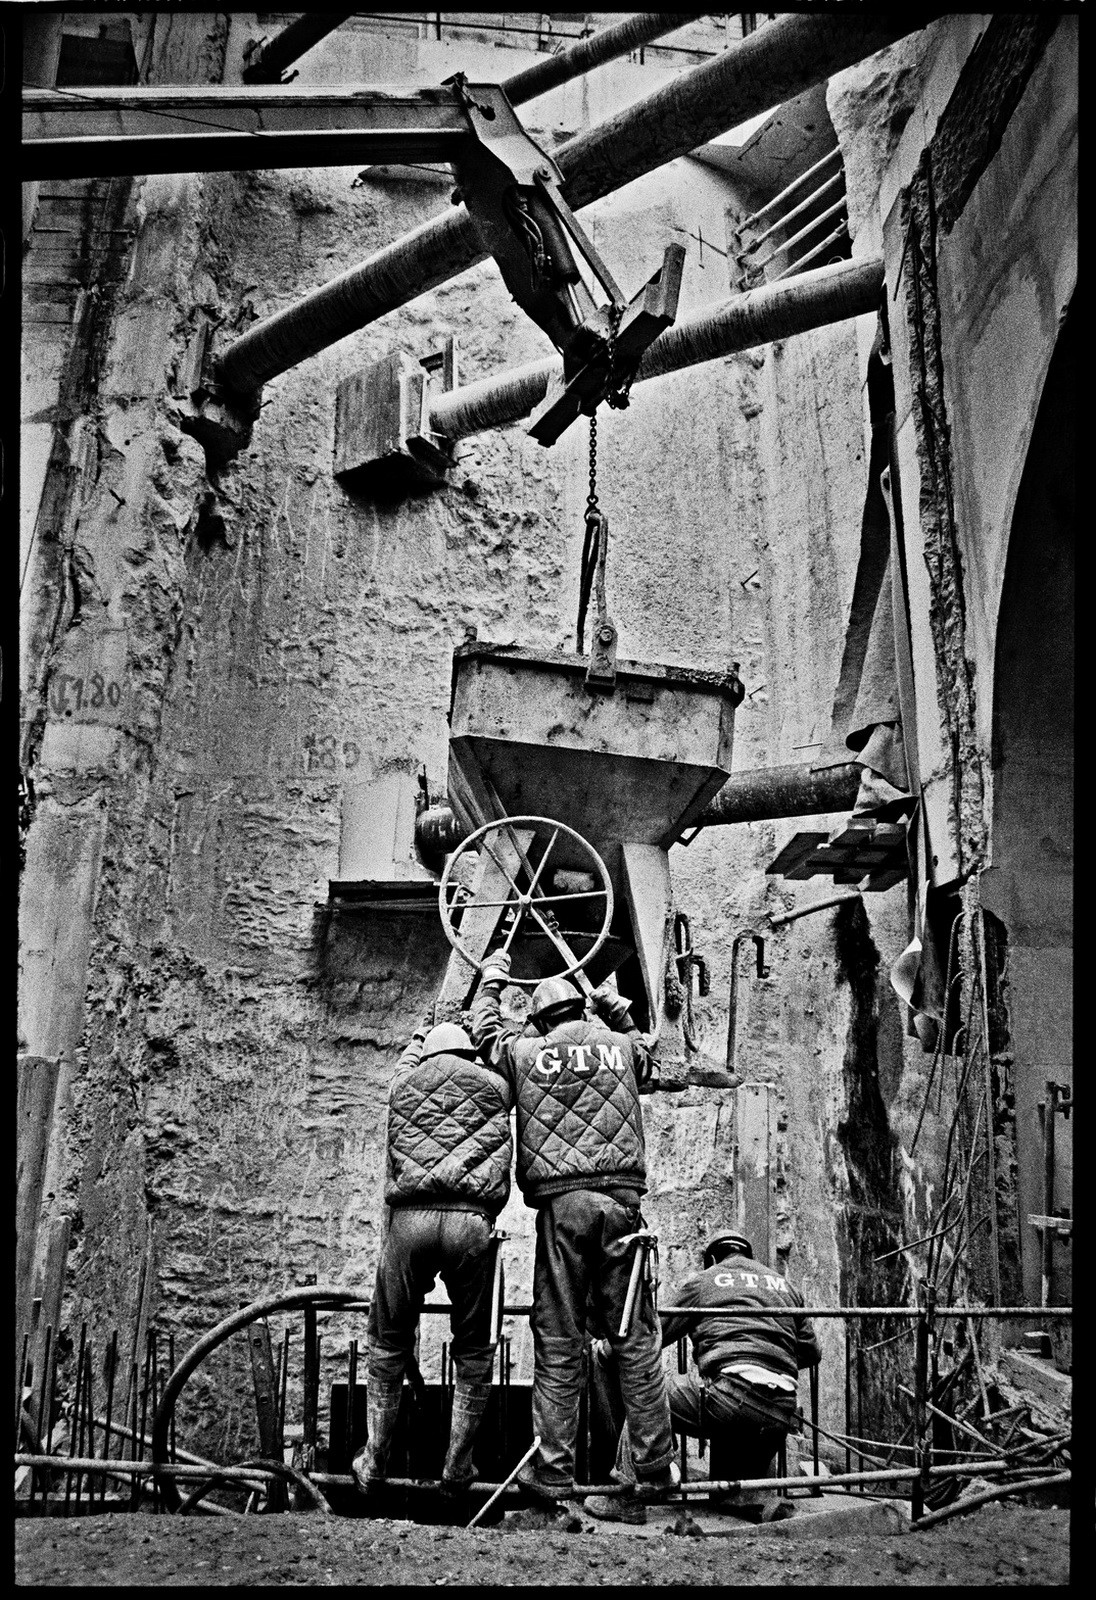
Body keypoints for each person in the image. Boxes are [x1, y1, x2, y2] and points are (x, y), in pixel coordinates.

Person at [470, 954, 676, 1520]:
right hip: (623, 1208)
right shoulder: (618, 1047)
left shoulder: (526, 1049)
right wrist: (616, 1009)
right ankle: (654, 1469)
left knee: (559, 1338)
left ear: (539, 1019)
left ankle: (555, 1472)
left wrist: (491, 978)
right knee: (635, 1336)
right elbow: (656, 1056)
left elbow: (485, 1035)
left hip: (563, 1209)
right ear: (581, 1008)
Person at [352, 1018, 513, 1502]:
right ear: (468, 1053)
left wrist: (420, 1032)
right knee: (474, 1348)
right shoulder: (495, 1085)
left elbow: (404, 1064)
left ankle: (375, 1460)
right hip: (471, 1224)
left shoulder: (405, 1082)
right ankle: (458, 1467)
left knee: (388, 1340)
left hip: (411, 1223)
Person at [584, 1228, 821, 1523]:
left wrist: (607, 1349)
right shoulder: (785, 1286)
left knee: (646, 1398)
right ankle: (755, 1500)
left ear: (711, 1258)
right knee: (726, 1494)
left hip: (730, 1398)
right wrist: (766, 1362)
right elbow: (812, 1352)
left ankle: (625, 1496)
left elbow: (652, 1336)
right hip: (780, 1411)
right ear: (749, 1256)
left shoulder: (704, 1281)